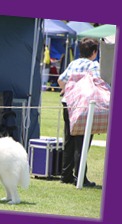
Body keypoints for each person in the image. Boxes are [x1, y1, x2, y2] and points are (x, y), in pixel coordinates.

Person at [57, 37, 100, 187]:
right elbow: (97, 82)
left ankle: (66, 175)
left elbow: (61, 80)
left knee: (69, 140)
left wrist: (66, 90)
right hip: (85, 106)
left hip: (68, 104)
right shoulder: (93, 65)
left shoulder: (73, 63)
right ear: (94, 52)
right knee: (82, 142)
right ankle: (81, 177)